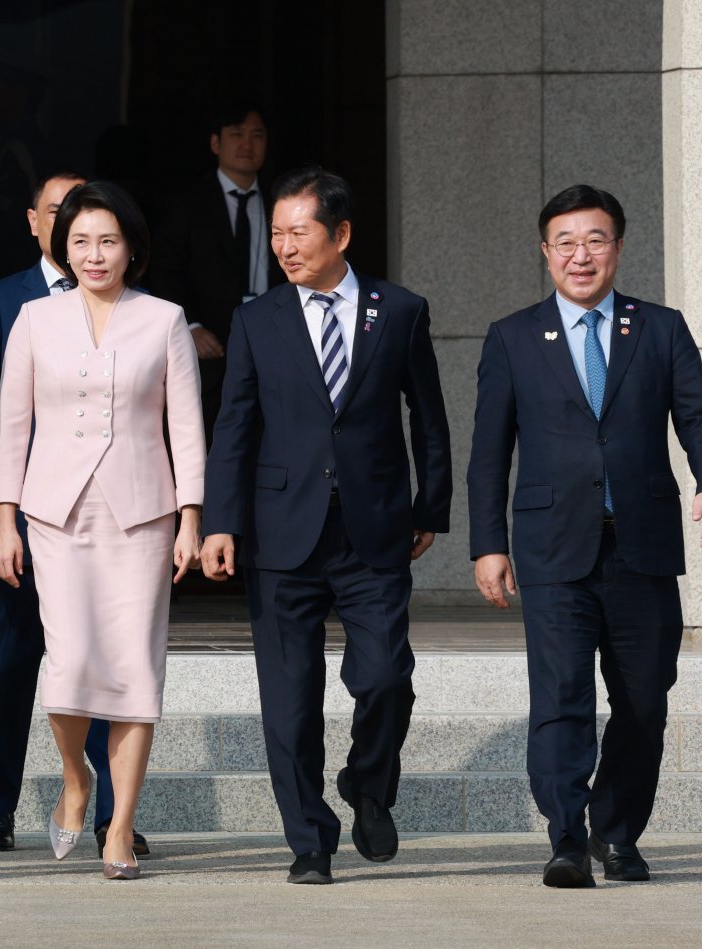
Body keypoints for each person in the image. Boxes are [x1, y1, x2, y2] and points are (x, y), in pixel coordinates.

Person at [468, 185, 702, 888]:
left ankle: (617, 832)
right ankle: (564, 835)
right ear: (545, 252)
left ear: (617, 247)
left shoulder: (660, 328)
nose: (580, 255)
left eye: (595, 240)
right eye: (565, 242)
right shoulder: (514, 336)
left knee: (645, 697)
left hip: (640, 543)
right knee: (560, 694)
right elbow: (489, 451)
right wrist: (487, 543)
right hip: (552, 545)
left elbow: (700, 414)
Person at [200, 166, 451, 885]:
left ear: (340, 233)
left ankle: (369, 782)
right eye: (276, 232)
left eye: (297, 231)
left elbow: (427, 418)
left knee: (384, 679)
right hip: (279, 534)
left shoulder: (399, 310)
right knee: (289, 701)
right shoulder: (257, 318)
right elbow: (235, 427)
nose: (283, 245)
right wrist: (222, 521)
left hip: (375, 530)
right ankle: (309, 839)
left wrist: (430, 506)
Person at [0, 180, 206, 880]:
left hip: (143, 515)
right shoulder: (32, 319)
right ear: (62, 246)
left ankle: (120, 825)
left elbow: (185, 425)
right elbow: (12, 424)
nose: (93, 253)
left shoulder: (165, 319)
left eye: (108, 240)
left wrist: (192, 517)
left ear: (131, 247)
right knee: (69, 664)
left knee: (135, 668)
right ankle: (76, 777)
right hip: (54, 515)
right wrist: (4, 520)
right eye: (80, 240)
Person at [0, 170, 148, 858]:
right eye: (59, 212)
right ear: (36, 223)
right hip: (27, 518)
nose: (76, 227)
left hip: (111, 521)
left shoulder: (133, 306)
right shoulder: (2, 300)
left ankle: (110, 814)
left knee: (104, 661)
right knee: (9, 664)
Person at [149, 101, 283, 443]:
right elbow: (164, 270)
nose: (247, 144)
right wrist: (189, 327)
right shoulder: (187, 200)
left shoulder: (280, 199)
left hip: (271, 351)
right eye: (237, 134)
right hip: (207, 354)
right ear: (215, 143)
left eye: (257, 135)